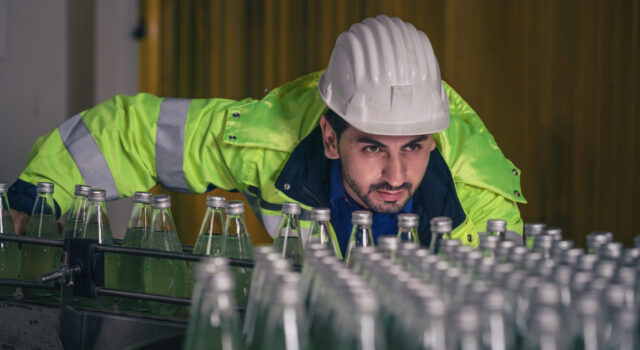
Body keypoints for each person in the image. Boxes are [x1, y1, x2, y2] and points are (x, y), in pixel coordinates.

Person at [8, 15, 525, 256]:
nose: (395, 175)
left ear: (432, 137)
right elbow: (133, 133)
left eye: (413, 147)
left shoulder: (484, 209)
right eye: (372, 146)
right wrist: (39, 195)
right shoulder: (267, 143)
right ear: (329, 136)